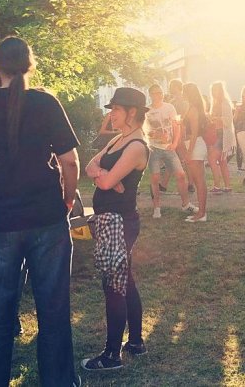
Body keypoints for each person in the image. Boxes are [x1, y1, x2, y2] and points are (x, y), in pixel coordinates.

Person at [0, 37, 80, 387]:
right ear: (30, 65)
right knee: (54, 310)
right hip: (47, 219)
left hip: (0, 222)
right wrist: (67, 201)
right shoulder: (46, 103)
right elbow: (70, 161)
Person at [81, 87, 150, 371]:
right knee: (126, 281)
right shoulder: (118, 140)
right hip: (110, 220)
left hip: (120, 222)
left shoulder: (136, 146)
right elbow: (89, 166)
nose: (111, 114)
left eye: (116, 109)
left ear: (131, 112)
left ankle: (111, 356)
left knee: (114, 285)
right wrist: (104, 175)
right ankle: (135, 342)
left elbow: (109, 184)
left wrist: (108, 179)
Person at [145, 83, 193, 218]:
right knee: (155, 177)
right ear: (150, 94)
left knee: (181, 174)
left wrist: (175, 142)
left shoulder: (169, 107)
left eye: (160, 92)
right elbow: (145, 131)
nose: (158, 95)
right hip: (154, 148)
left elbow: (176, 125)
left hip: (169, 147)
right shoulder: (147, 110)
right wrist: (154, 136)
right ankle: (156, 207)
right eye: (155, 93)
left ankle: (186, 204)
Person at [181, 82, 209, 222]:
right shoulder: (194, 107)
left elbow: (194, 132)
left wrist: (189, 152)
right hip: (195, 144)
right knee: (200, 181)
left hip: (195, 145)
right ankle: (202, 212)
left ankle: (202, 213)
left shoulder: (193, 109)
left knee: (199, 182)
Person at [207, 81, 236, 193]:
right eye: (213, 90)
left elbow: (228, 121)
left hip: (222, 135)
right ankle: (228, 186)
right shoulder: (214, 103)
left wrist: (217, 118)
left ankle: (217, 186)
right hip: (216, 133)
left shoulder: (225, 103)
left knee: (212, 159)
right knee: (222, 161)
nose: (214, 93)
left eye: (216, 90)